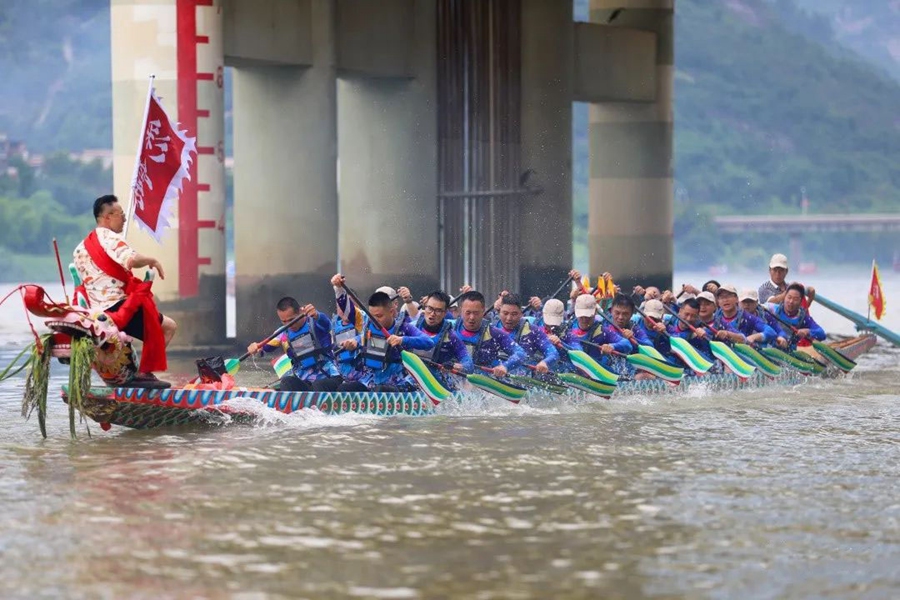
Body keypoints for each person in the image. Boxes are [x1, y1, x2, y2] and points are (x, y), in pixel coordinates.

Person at [72, 194, 176, 386]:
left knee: (133, 337)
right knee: (168, 327)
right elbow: (131, 260)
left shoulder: (79, 249)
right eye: (121, 214)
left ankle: (126, 377)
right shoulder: (111, 238)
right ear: (108, 216)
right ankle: (144, 375)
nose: (125, 218)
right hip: (118, 307)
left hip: (97, 313)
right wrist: (150, 260)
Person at [338, 291, 435, 392]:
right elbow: (347, 310)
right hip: (370, 381)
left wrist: (402, 340)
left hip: (397, 382)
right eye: (372, 316)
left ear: (392, 312)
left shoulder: (404, 328)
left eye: (379, 316)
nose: (375, 320)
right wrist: (338, 288)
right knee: (344, 389)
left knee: (380, 390)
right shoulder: (367, 325)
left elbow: (428, 342)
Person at [248, 297, 342, 392]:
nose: (289, 325)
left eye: (291, 320)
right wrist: (255, 349)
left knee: (318, 385)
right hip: (305, 381)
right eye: (284, 321)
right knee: (286, 381)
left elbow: (327, 324)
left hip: (330, 377)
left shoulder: (316, 321)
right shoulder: (282, 333)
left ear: (301, 312)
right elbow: (262, 350)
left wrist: (317, 315)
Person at [453, 291, 527, 378]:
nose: (471, 317)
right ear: (461, 310)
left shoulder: (494, 333)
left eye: (476, 313)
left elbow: (521, 353)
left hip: (483, 381)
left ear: (483, 311)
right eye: (468, 313)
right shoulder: (450, 328)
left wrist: (505, 366)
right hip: (455, 377)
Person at [412, 290, 473, 389]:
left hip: (437, 385)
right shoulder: (411, 327)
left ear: (445, 313)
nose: (432, 314)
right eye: (430, 308)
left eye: (438, 311)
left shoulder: (451, 337)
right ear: (425, 307)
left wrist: (456, 366)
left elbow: (469, 364)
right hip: (411, 381)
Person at [495, 293, 559, 376]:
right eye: (505, 313)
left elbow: (553, 353)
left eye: (514, 314)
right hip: (495, 374)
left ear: (521, 314)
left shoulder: (533, 331)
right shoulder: (491, 329)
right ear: (499, 312)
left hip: (523, 378)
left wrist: (545, 362)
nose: (509, 318)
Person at [561, 294, 631, 366]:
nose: (584, 319)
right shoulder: (568, 328)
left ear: (595, 312)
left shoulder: (603, 331)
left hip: (595, 370)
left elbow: (627, 345)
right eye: (582, 316)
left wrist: (612, 346)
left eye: (588, 316)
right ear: (576, 312)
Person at [764, 283, 826, 350]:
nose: (791, 301)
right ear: (784, 297)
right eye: (789, 297)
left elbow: (822, 334)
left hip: (789, 351)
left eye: (795, 299)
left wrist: (807, 331)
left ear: (800, 301)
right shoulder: (772, 309)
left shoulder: (803, 318)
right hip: (769, 346)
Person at [712, 284, 776, 345]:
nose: (725, 300)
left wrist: (753, 337)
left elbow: (771, 332)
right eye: (722, 297)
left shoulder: (747, 317)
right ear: (718, 302)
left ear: (737, 299)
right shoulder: (716, 319)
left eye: (729, 296)